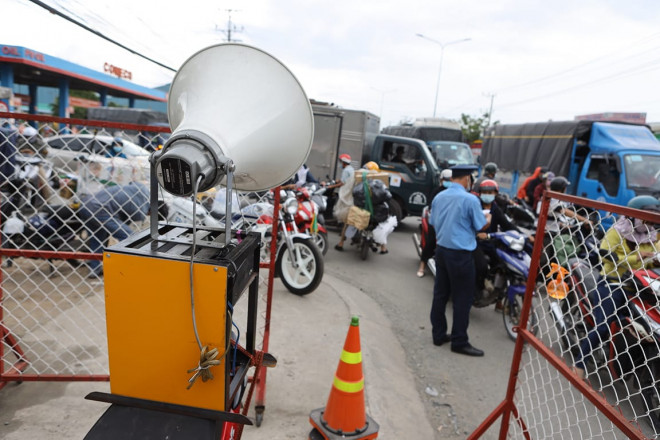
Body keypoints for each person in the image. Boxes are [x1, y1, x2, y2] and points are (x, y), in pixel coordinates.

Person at [572, 195, 660, 380]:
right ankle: (579, 364)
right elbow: (606, 257)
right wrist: (639, 257)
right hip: (613, 283)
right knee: (603, 326)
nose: (650, 222)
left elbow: (653, 262)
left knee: (650, 326)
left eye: (654, 217)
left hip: (640, 286)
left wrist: (653, 260)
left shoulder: (653, 236)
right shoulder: (616, 231)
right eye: (647, 216)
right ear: (633, 216)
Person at [429, 164, 491, 356]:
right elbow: (480, 226)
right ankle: (459, 341)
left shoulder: (440, 196)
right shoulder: (470, 199)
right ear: (467, 179)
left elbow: (432, 222)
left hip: (442, 251)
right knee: (462, 299)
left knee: (440, 294)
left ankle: (438, 335)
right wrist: (487, 219)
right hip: (460, 255)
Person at [77, 182, 149, 277]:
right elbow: (123, 224)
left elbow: (132, 183)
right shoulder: (142, 211)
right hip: (100, 209)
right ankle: (131, 267)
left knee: (97, 240)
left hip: (86, 204)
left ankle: (94, 270)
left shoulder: (142, 189)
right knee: (130, 237)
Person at [473, 179, 522, 305]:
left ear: (495, 193)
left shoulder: (496, 209)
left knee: (504, 266)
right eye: (485, 192)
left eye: (491, 192)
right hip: (475, 243)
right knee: (481, 266)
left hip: (491, 243)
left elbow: (506, 225)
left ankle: (499, 298)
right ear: (480, 193)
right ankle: (477, 292)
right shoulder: (475, 206)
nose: (488, 194)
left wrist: (521, 234)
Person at [416, 168, 452, 277]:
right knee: (431, 241)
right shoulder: (437, 191)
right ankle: (422, 266)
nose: (448, 181)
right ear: (441, 180)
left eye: (450, 179)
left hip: (450, 223)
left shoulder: (455, 193)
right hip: (436, 222)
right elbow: (431, 207)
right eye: (446, 179)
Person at [333, 154, 355, 251]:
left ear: (343, 162)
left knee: (342, 214)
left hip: (345, 195)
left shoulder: (346, 170)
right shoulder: (351, 169)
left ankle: (341, 241)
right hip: (351, 196)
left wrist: (332, 186)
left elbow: (343, 183)